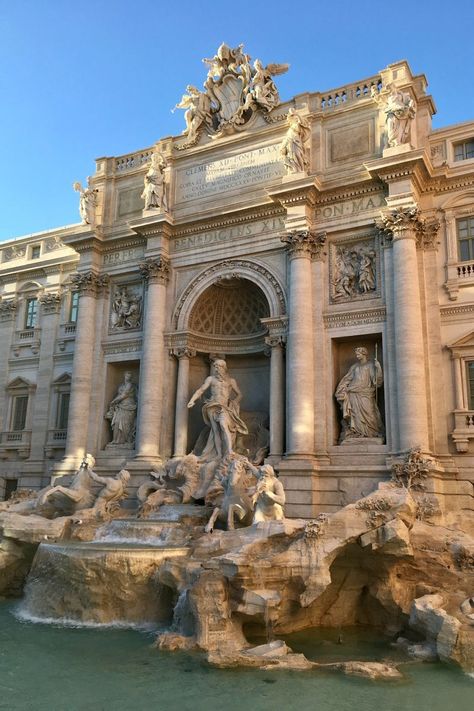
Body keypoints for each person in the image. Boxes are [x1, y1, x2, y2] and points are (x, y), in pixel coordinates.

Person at [187, 359, 248, 461]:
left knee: (224, 425)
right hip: (212, 406)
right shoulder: (210, 379)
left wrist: (234, 403)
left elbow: (240, 394)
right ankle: (219, 454)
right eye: (215, 366)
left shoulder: (231, 381)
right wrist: (192, 400)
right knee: (215, 431)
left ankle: (229, 451)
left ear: (224, 368)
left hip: (224, 407)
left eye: (218, 366)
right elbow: (201, 390)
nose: (216, 369)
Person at [335, 347, 384, 442]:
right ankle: (357, 432)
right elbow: (347, 378)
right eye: (356, 354)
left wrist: (378, 368)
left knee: (370, 413)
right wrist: (342, 388)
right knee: (355, 414)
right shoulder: (354, 367)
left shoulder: (371, 365)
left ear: (364, 354)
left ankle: (371, 433)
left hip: (366, 392)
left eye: (358, 354)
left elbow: (377, 382)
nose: (357, 356)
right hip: (353, 392)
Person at [106, 372, 137, 446]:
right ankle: (116, 440)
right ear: (124, 376)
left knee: (126, 424)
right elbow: (119, 395)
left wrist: (114, 401)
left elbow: (124, 394)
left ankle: (125, 440)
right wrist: (115, 402)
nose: (128, 377)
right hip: (120, 406)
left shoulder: (130, 385)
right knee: (117, 422)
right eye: (126, 375)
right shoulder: (121, 385)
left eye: (129, 376)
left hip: (129, 406)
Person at [280, 108, 310, 173]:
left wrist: (296, 114)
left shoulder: (297, 125)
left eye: (297, 119)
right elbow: (286, 139)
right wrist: (283, 147)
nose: (296, 120)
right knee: (293, 155)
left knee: (298, 155)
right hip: (290, 143)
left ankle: (301, 169)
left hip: (297, 142)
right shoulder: (290, 129)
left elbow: (302, 123)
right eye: (295, 119)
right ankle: (296, 169)